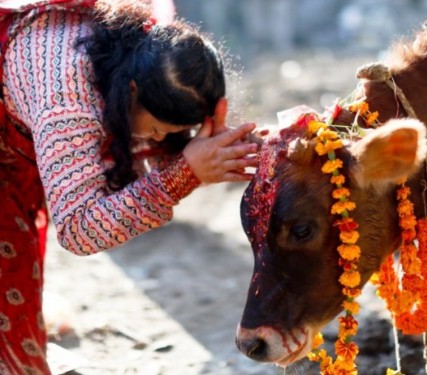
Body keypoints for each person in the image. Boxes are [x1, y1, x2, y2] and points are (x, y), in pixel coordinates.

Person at [0, 0, 258, 373]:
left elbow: (142, 149)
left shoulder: (142, 47)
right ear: (131, 91)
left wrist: (212, 151)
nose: (154, 140)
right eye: (155, 131)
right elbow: (79, 228)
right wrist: (184, 174)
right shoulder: (68, 103)